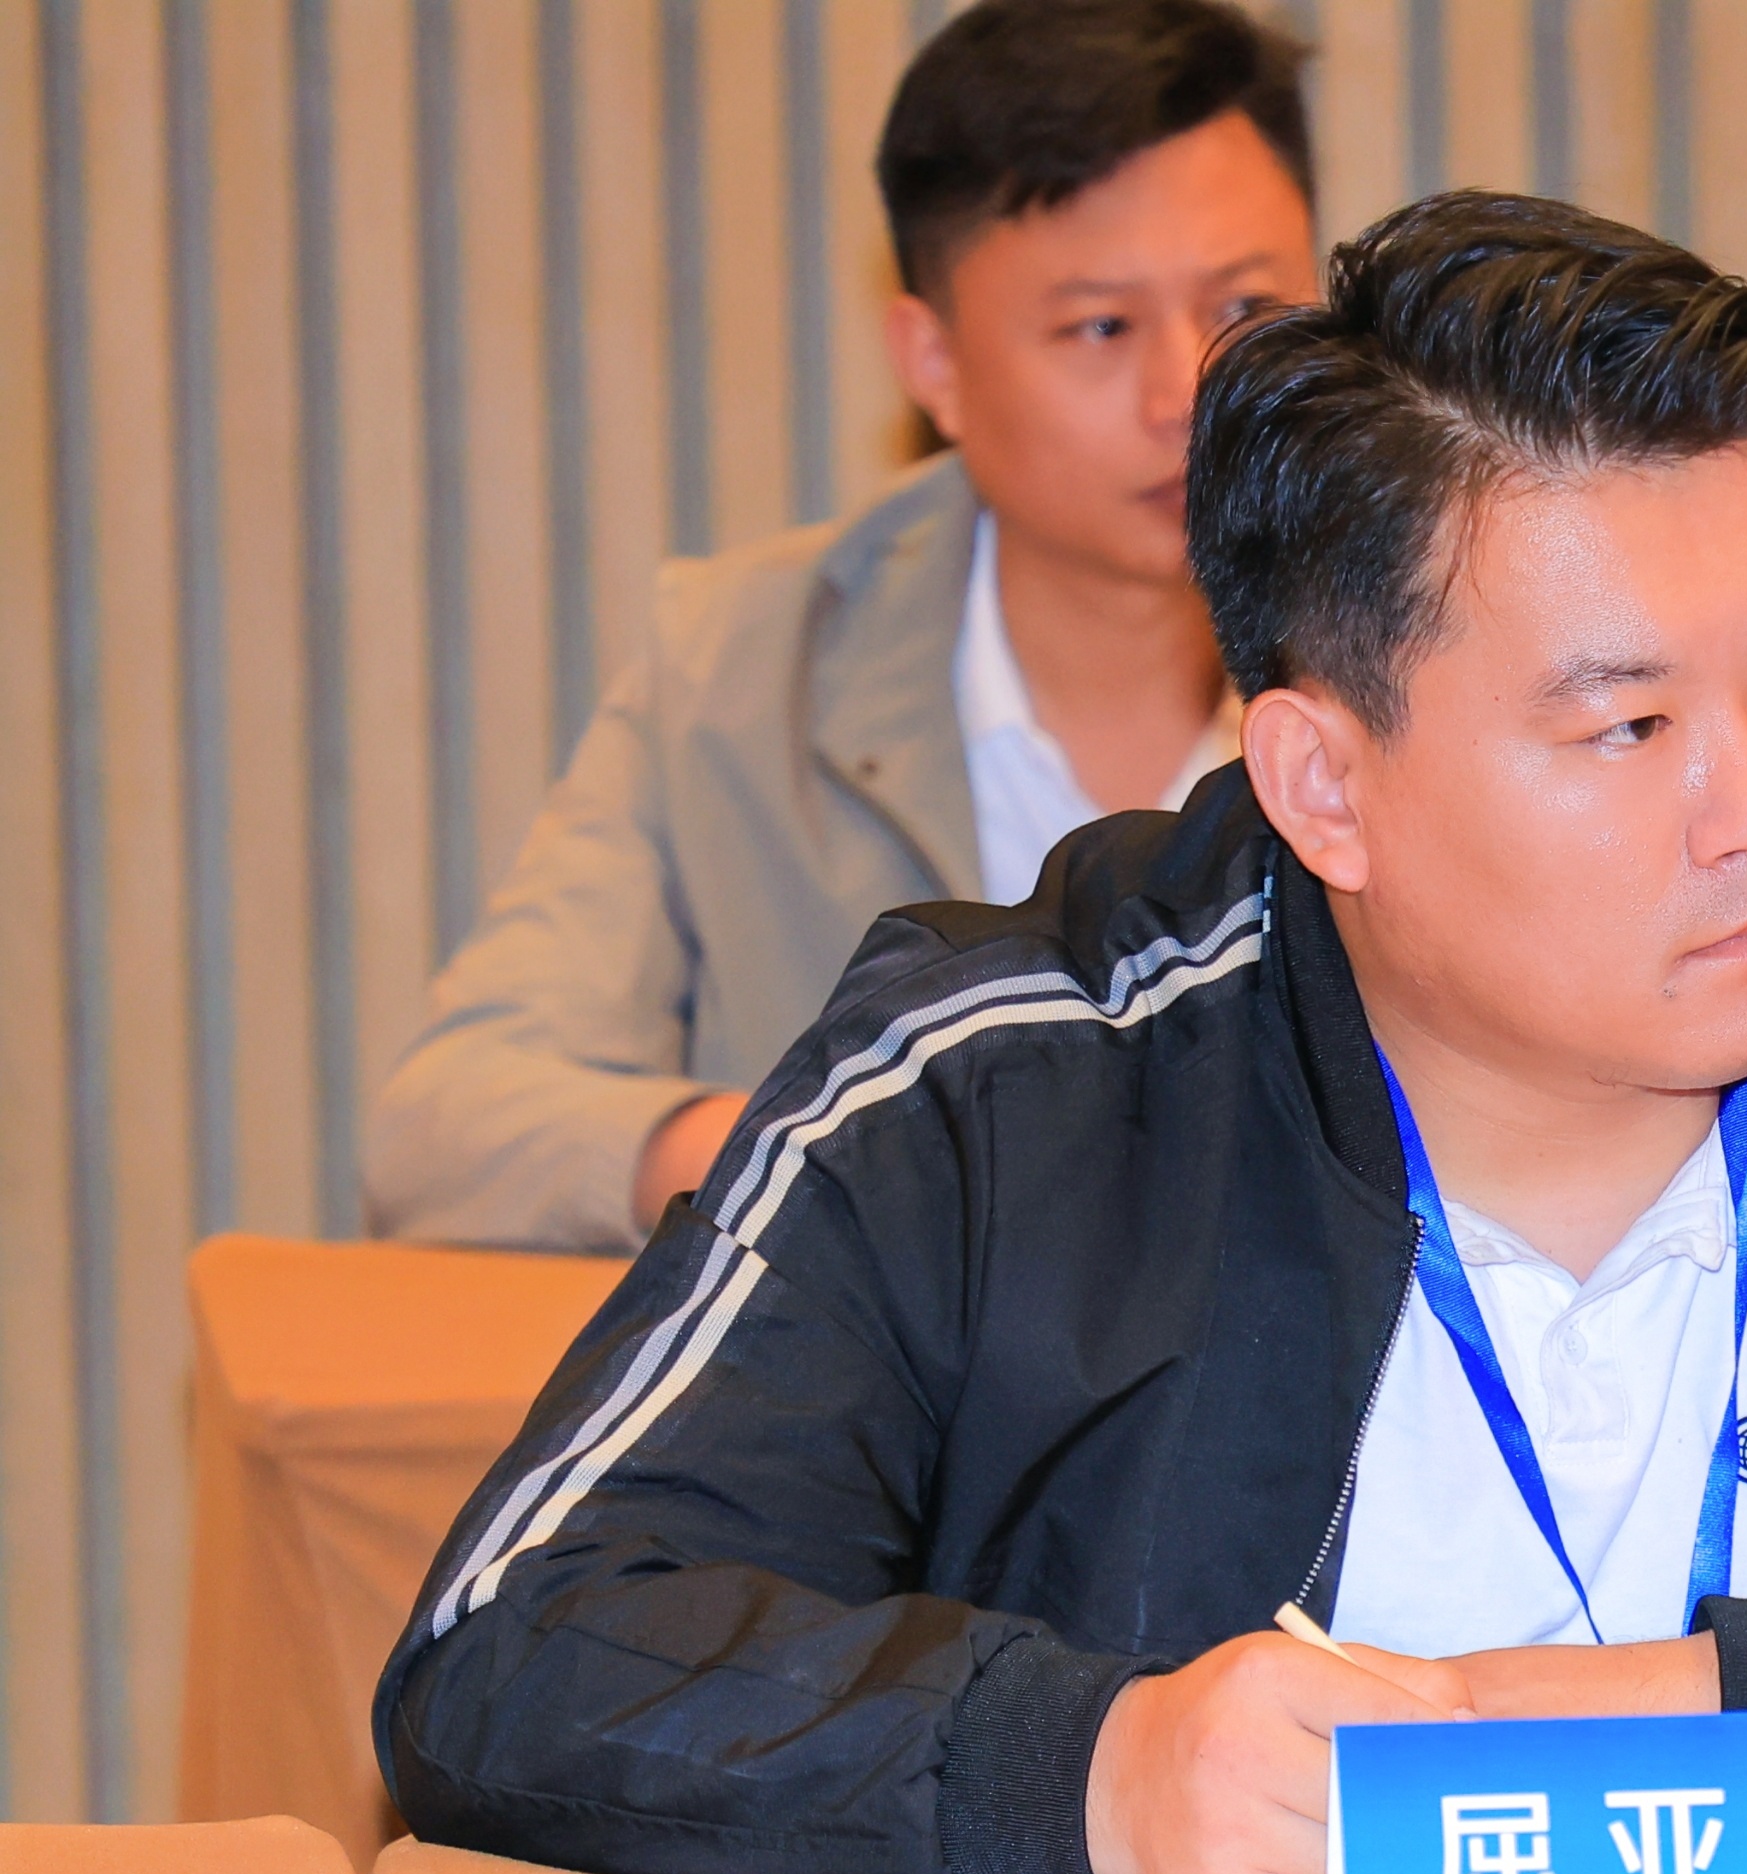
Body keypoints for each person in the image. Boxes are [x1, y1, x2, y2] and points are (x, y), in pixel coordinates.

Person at [377, 193, 1747, 1874]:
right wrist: (1099, 1765)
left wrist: (1713, 1705)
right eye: (1627, 724)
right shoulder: (998, 1086)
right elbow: (518, 1640)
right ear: (1324, 784)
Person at [363, 0, 1318, 1251]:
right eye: (1101, 326)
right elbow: (444, 1132)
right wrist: (803, 1148)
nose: (1183, 390)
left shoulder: (1427, 648)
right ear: (933, 363)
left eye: (1244, 306)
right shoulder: (744, 667)